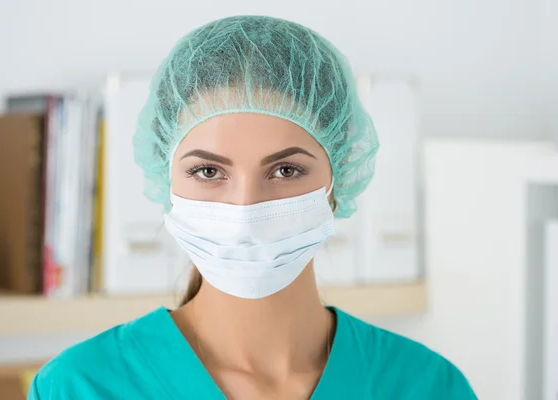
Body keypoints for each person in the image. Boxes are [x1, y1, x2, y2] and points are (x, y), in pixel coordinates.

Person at [28, 15, 477, 399]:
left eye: (285, 171)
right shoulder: (77, 387)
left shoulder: (427, 386)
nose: (245, 210)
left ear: (337, 181)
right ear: (167, 181)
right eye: (208, 172)